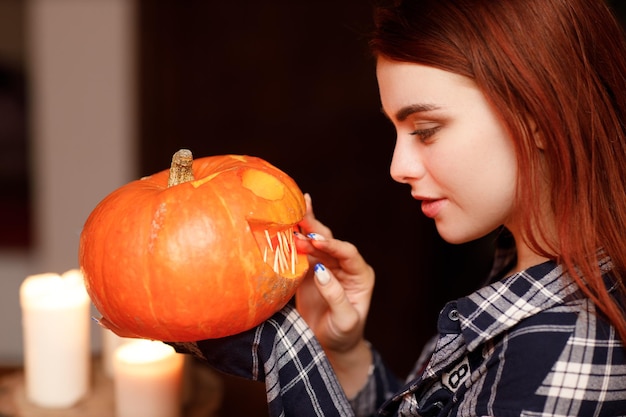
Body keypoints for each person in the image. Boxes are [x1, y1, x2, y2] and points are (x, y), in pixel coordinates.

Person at [169, 0, 626, 415]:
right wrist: (345, 358)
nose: (397, 167)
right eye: (396, 130)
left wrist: (286, 347)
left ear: (538, 117)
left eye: (426, 130)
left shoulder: (558, 352)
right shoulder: (522, 277)